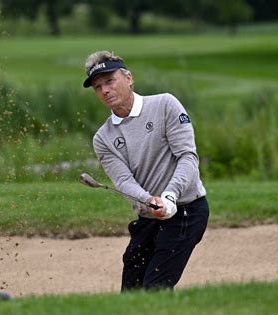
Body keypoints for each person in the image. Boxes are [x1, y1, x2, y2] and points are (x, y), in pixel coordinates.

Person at [83, 51, 209, 291]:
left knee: (155, 289)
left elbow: (187, 157)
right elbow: (123, 181)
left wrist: (170, 195)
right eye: (98, 87)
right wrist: (148, 200)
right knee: (131, 292)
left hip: (186, 211)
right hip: (148, 217)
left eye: (110, 81)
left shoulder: (164, 105)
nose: (105, 90)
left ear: (128, 78)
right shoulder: (103, 138)